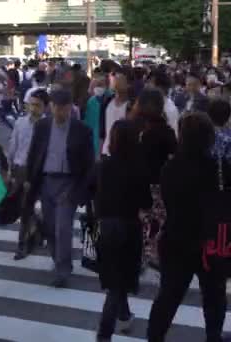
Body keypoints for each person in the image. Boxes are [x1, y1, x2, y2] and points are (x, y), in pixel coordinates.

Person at [147, 113, 228, 342]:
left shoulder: (170, 168)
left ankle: (155, 336)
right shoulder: (219, 167)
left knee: (168, 297)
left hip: (177, 238)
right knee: (214, 296)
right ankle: (213, 336)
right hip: (210, 241)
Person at [23, 89, 95, 288]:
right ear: (51, 107)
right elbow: (34, 153)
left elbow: (89, 163)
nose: (59, 112)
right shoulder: (43, 126)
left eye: (63, 108)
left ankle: (62, 269)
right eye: (55, 107)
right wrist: (30, 179)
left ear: (70, 108)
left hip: (69, 182)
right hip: (46, 180)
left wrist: (82, 189)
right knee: (50, 227)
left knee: (63, 227)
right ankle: (58, 260)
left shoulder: (81, 130)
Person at [95, 120, 152, 341]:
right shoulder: (138, 167)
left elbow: (91, 190)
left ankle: (125, 314)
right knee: (118, 285)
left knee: (113, 278)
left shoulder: (104, 165)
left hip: (101, 225)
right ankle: (104, 333)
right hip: (127, 227)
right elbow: (145, 202)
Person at [133, 89, 177, 269]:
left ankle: (140, 256)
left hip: (136, 181)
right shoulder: (165, 130)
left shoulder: (135, 127)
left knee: (140, 219)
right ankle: (154, 254)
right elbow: (174, 155)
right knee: (156, 222)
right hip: (158, 183)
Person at [9, 89, 48, 260]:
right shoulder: (20, 123)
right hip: (21, 168)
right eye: (31, 104)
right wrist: (10, 169)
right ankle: (23, 243)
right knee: (25, 207)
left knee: (37, 206)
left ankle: (35, 233)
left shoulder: (48, 125)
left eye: (38, 105)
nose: (33, 108)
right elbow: (13, 146)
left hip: (42, 170)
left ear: (45, 107)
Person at [101, 69, 133, 156]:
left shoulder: (132, 105)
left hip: (124, 153)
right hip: (106, 151)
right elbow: (102, 129)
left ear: (128, 84)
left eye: (120, 78)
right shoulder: (107, 101)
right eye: (115, 77)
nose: (116, 80)